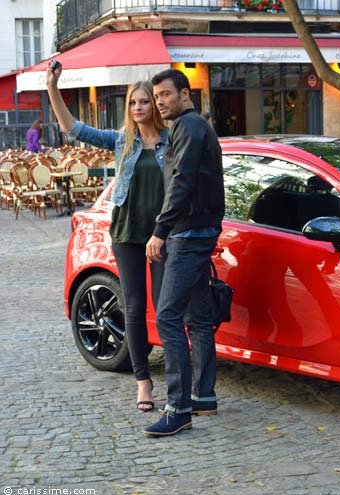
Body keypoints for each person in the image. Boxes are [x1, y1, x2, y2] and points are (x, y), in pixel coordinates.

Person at [46, 63, 168, 412]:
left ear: (155, 106)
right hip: (127, 233)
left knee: (165, 308)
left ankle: (177, 379)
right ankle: (143, 383)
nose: (139, 108)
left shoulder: (171, 140)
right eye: (133, 103)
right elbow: (73, 129)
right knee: (133, 305)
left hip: (161, 234)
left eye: (144, 101)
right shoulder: (121, 141)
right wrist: (53, 87)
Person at [144, 69, 225, 437]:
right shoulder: (193, 126)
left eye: (165, 95)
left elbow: (182, 183)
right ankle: (203, 396)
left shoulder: (188, 128)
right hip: (197, 231)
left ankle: (178, 409)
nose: (160, 102)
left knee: (168, 317)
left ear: (185, 94)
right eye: (156, 96)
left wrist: (160, 231)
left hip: (188, 234)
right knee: (199, 317)